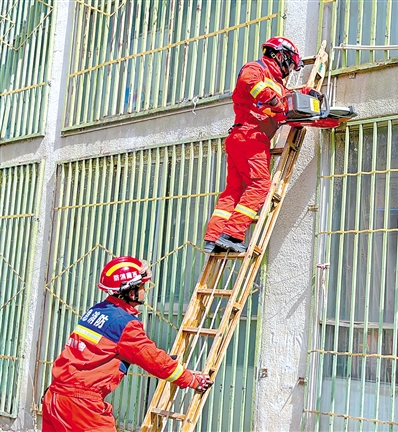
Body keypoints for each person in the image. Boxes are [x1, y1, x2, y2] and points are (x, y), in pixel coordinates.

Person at [42, 256, 213, 432]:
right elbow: (154, 360)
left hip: (55, 396)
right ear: (131, 293)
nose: (144, 291)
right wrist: (191, 379)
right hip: (82, 406)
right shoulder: (125, 323)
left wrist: (148, 356)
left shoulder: (96, 311)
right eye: (142, 286)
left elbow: (98, 352)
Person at [203, 36, 320, 253]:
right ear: (281, 56)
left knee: (234, 190)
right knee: (261, 185)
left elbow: (286, 98)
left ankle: (213, 237)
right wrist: (273, 101)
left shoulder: (276, 84)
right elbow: (249, 82)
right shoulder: (257, 68)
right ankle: (232, 234)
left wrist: (307, 93)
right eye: (290, 65)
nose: (289, 71)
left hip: (240, 138)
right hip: (251, 137)